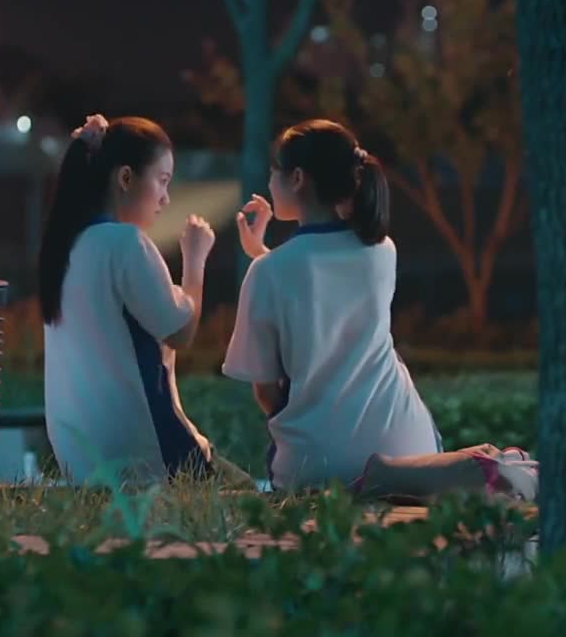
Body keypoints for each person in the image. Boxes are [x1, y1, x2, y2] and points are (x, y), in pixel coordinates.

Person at [222, 119, 537, 500]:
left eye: (275, 171)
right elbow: (322, 284)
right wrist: (263, 255)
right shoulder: (382, 250)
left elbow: (266, 390)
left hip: (319, 466)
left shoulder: (268, 272)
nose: (270, 182)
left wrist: (261, 259)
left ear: (298, 178)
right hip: (410, 446)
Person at [38, 114, 225, 486]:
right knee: (253, 501)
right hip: (146, 459)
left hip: (81, 463)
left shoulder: (65, 247)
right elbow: (181, 332)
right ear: (125, 178)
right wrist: (195, 261)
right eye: (162, 180)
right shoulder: (125, 243)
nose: (166, 198)